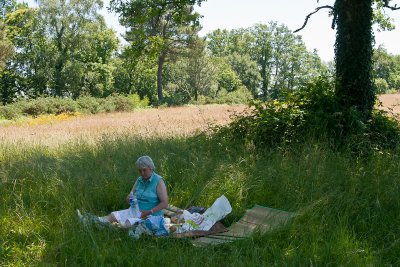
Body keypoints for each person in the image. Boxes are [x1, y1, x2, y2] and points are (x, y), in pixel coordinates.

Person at [79, 156, 169, 227]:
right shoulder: (139, 180)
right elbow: (130, 196)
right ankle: (89, 219)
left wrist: (149, 211)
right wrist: (129, 199)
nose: (142, 173)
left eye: (144, 170)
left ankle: (101, 225)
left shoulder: (158, 181)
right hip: (135, 212)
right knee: (113, 215)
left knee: (128, 223)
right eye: (139, 170)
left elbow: (165, 203)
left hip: (151, 215)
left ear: (151, 168)